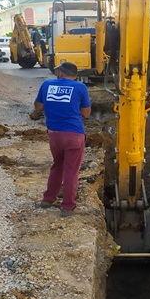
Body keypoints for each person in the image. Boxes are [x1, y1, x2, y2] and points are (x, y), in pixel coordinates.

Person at [31, 62, 91, 217]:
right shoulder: (80, 88)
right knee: (71, 170)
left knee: (57, 166)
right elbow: (86, 113)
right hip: (74, 135)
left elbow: (38, 107)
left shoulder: (47, 84)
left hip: (54, 135)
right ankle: (68, 206)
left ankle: (48, 199)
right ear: (75, 75)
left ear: (60, 73)